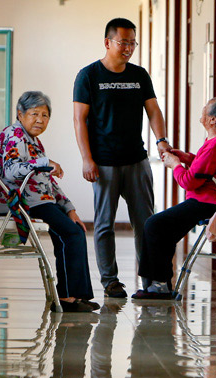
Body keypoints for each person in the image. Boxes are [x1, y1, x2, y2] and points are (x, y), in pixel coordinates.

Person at [73, 17, 172, 299]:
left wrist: (161, 141)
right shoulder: (88, 75)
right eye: (123, 42)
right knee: (104, 224)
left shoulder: (139, 75)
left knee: (146, 223)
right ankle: (110, 281)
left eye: (132, 43)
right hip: (103, 163)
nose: (128, 48)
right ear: (108, 42)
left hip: (136, 160)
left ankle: (150, 279)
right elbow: (79, 119)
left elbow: (153, 110)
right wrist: (86, 158)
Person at [0, 90, 99, 313]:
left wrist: (69, 208)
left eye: (45, 115)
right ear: (20, 114)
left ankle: (75, 295)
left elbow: (46, 181)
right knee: (70, 234)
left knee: (75, 229)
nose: (40, 120)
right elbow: (11, 171)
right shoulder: (13, 135)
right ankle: (67, 297)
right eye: (34, 114)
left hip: (37, 200)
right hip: (19, 201)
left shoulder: (33, 141)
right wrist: (44, 163)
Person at [132, 93, 216, 300]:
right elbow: (208, 169)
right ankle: (159, 284)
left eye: (206, 107)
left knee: (154, 224)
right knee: (164, 228)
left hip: (209, 204)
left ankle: (157, 285)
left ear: (213, 119)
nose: (203, 109)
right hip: (211, 200)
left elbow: (188, 181)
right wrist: (186, 158)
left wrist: (175, 165)